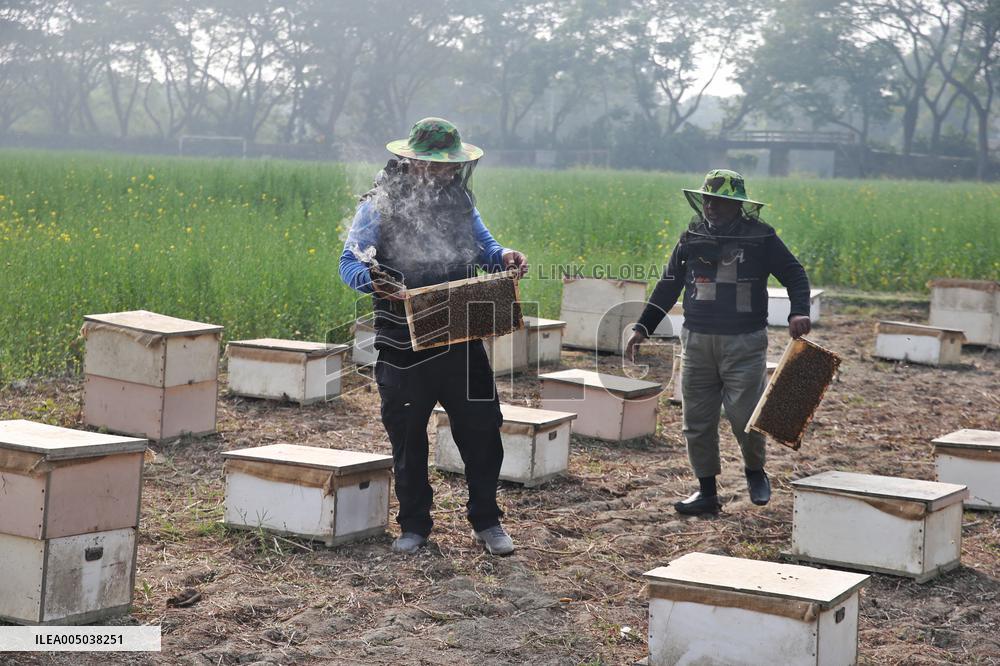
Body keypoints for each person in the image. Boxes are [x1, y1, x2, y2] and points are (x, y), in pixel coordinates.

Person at [339, 117, 528, 555]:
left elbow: (486, 248)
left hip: (460, 336)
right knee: (408, 437)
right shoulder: (379, 204)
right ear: (411, 161)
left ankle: (487, 520)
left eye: (450, 165)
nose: (445, 171)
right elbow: (348, 264)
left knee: (483, 429)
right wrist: (374, 281)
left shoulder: (461, 203)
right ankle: (414, 525)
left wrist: (504, 256)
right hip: (401, 342)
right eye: (436, 164)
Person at [625, 169, 811, 516]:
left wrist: (798, 311)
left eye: (720, 201)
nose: (711, 207)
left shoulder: (761, 237)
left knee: (744, 416)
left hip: (744, 341)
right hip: (697, 340)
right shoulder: (691, 237)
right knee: (697, 420)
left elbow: (794, 274)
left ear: (737, 204)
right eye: (707, 200)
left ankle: (755, 471)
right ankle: (706, 492)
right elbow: (668, 285)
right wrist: (642, 327)